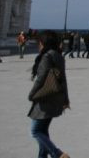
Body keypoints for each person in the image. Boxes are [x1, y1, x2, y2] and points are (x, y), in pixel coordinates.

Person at [28, 30, 70, 158]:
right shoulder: (59, 56)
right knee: (43, 131)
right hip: (56, 97)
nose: (38, 45)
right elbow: (63, 78)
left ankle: (58, 154)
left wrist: (31, 94)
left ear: (43, 43)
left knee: (35, 131)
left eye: (39, 42)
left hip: (45, 97)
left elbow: (41, 79)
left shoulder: (46, 56)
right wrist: (66, 99)